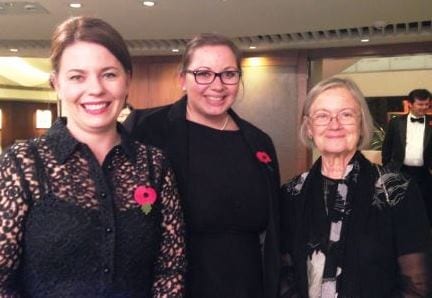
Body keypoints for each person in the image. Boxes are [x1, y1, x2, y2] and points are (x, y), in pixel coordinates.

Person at [0, 16, 186, 296]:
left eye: (109, 74)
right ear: (57, 85)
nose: (96, 89)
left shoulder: (153, 165)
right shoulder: (22, 163)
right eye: (77, 76)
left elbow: (170, 267)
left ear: (127, 81)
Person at [124, 33, 281, 298]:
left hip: (247, 286)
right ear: (182, 79)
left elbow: (273, 231)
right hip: (172, 286)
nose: (217, 85)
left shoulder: (258, 142)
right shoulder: (146, 129)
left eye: (228, 74)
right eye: (203, 73)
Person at [280, 78, 431, 297]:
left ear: (361, 124)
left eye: (346, 114)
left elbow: (417, 286)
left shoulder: (397, 191)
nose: (335, 124)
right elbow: (283, 273)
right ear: (309, 128)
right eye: (322, 115)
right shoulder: (291, 193)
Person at [382, 88, 432, 226]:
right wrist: (388, 169)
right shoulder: (396, 123)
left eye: (427, 104)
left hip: (424, 173)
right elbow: (387, 147)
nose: (424, 108)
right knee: (400, 205)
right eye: (420, 104)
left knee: (425, 206)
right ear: (410, 104)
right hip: (400, 171)